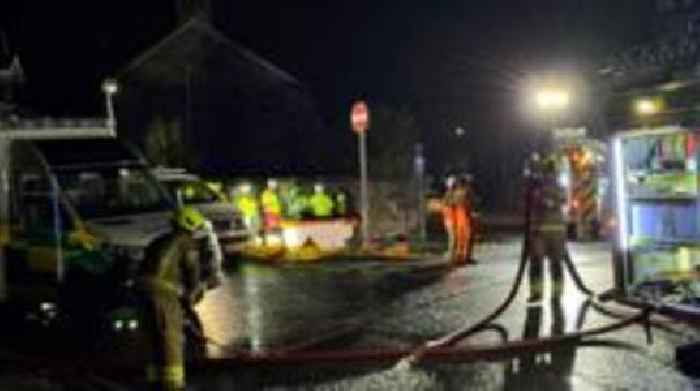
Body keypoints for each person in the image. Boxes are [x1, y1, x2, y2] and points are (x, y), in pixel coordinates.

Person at [136, 206, 205, 391]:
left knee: (153, 336)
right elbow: (193, 273)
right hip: (163, 293)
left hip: (142, 291)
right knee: (170, 339)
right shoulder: (186, 242)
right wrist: (191, 296)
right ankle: (174, 385)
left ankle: (154, 380)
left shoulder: (159, 240)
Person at [527, 156, 567, 303]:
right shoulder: (537, 188)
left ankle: (556, 293)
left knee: (554, 264)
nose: (549, 175)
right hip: (541, 232)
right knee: (537, 263)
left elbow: (559, 201)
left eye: (551, 172)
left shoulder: (558, 188)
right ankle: (537, 293)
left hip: (550, 233)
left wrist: (546, 200)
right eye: (547, 172)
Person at [442, 175, 457, 261]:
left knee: (452, 236)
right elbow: (447, 205)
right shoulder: (449, 194)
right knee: (452, 236)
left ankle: (452, 252)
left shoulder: (449, 194)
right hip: (450, 217)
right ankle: (451, 252)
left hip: (450, 217)